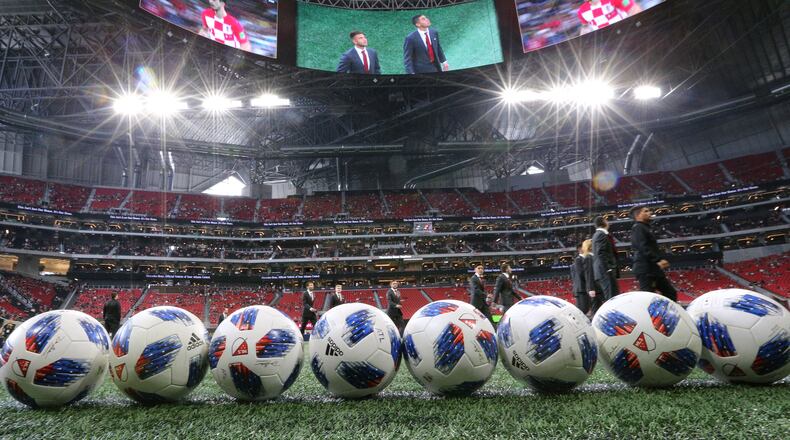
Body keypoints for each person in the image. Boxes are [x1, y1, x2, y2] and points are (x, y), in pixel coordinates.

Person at [630, 205, 678, 301]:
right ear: (638, 216)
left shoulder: (645, 228)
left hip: (653, 268)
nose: (650, 213)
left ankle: (665, 314)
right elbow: (642, 247)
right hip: (645, 269)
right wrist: (658, 260)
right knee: (648, 297)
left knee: (670, 292)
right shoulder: (638, 227)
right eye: (646, 211)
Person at [592, 216, 620, 301]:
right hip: (605, 271)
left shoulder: (600, 234)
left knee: (613, 295)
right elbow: (601, 253)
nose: (608, 222)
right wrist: (608, 269)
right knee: (611, 297)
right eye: (606, 220)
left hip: (604, 271)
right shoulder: (600, 234)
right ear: (603, 222)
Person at [578, 0, 643, 35]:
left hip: (625, 34)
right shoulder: (581, 11)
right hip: (605, 43)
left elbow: (634, 8)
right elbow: (585, 27)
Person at [572, 240, 601, 315]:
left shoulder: (586, 258)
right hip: (582, 288)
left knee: (590, 308)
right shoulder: (578, 259)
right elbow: (581, 274)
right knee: (583, 310)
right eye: (583, 247)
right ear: (579, 249)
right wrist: (590, 285)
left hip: (586, 287)